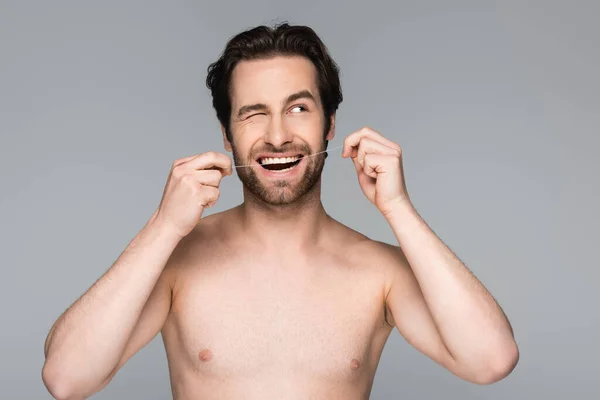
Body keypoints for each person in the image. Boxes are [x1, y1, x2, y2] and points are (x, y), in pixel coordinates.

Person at [42, 22, 519, 399]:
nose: (275, 136)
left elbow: (491, 361)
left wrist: (398, 209)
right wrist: (163, 227)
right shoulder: (177, 262)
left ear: (330, 125)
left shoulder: (378, 272)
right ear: (228, 137)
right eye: (253, 113)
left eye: (298, 108)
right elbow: (66, 379)